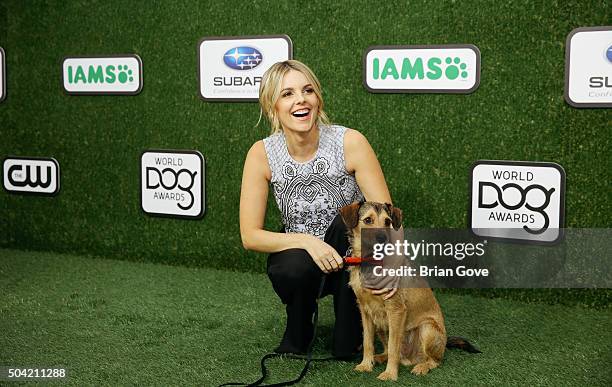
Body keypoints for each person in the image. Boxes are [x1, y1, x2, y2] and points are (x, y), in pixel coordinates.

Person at [239, 59, 396, 358]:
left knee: (344, 222)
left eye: (307, 90)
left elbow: (385, 217)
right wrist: (309, 242)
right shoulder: (261, 154)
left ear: (318, 99)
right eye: (287, 94)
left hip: (351, 256)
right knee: (291, 266)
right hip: (303, 258)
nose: (300, 99)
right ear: (272, 106)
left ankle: (352, 331)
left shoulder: (350, 142)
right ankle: (300, 324)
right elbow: (250, 235)